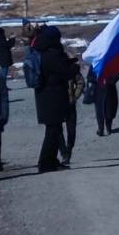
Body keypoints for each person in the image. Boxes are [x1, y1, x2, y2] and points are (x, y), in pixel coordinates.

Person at [33, 26, 79, 173]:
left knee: (54, 131)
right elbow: (65, 72)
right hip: (52, 99)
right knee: (53, 132)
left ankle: (51, 161)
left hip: (47, 98)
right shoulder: (52, 54)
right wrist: (75, 68)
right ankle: (45, 163)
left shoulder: (43, 52)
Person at [89, 69, 119, 136]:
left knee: (109, 110)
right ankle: (101, 129)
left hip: (110, 91)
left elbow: (117, 75)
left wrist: (108, 81)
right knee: (99, 111)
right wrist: (98, 79)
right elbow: (90, 77)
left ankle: (108, 128)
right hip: (98, 91)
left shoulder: (111, 63)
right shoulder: (95, 64)